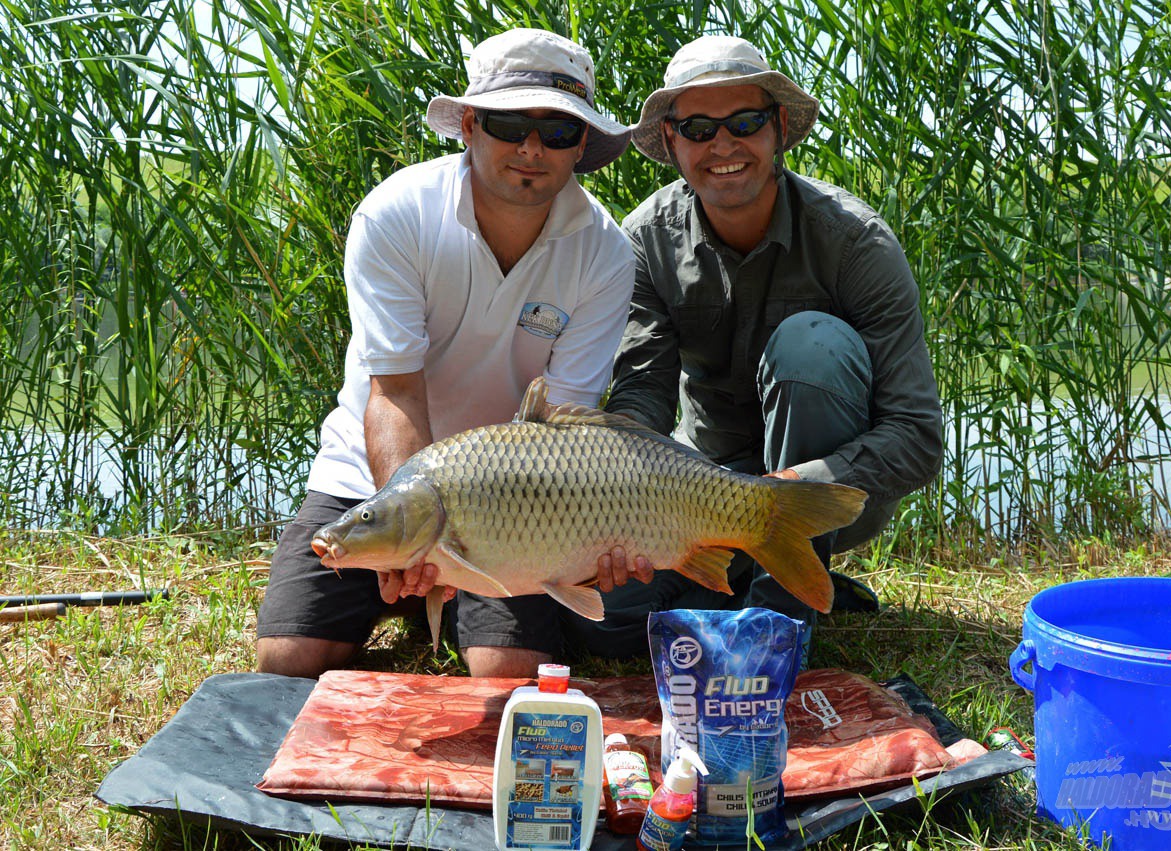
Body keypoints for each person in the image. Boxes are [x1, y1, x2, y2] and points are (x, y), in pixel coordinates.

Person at [255, 28, 639, 679]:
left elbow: (564, 431)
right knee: (288, 660)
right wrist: (411, 533)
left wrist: (589, 540)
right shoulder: (398, 214)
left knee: (506, 673)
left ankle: (453, 595)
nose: (531, 148)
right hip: (377, 475)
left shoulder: (605, 251)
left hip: (519, 492)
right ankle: (413, 585)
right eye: (508, 123)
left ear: (582, 146)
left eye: (559, 132)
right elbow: (395, 393)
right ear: (468, 124)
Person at [591, 35, 945, 655]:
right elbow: (642, 399)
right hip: (699, 490)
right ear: (671, 140)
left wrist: (791, 491)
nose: (722, 145)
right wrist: (626, 511)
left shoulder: (854, 241)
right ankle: (761, 574)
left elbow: (915, 435)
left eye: (745, 122)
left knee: (811, 344)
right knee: (608, 622)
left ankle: (776, 623)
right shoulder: (644, 241)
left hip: (826, 488)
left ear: (779, 127)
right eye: (698, 127)